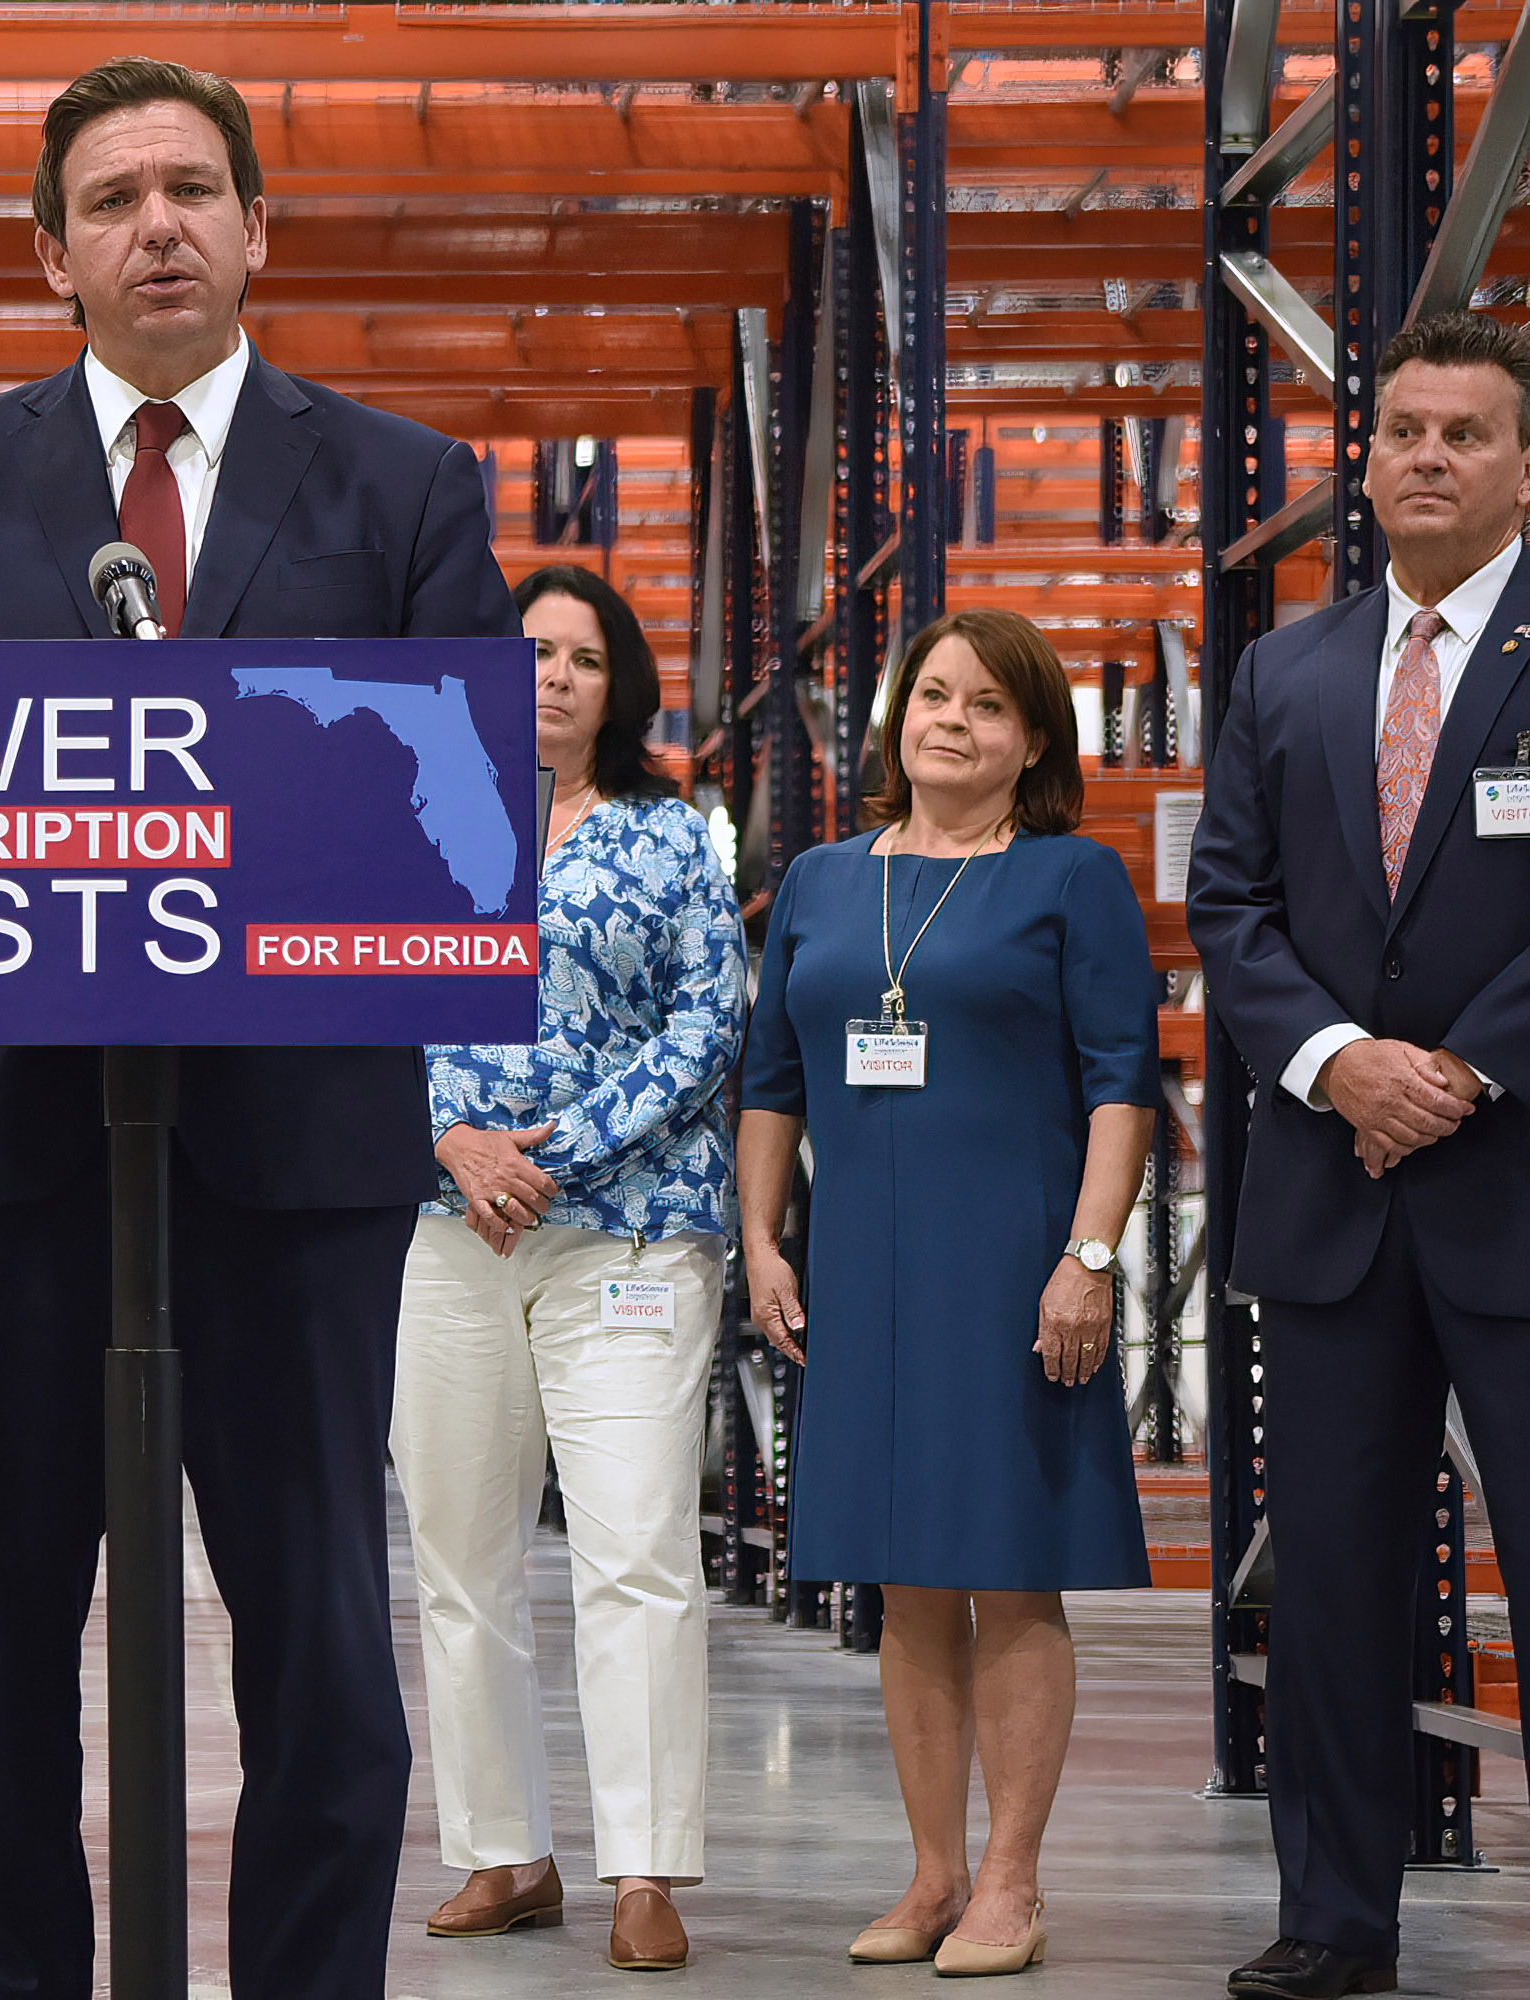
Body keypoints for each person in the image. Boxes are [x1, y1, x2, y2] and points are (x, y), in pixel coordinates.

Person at [0, 56, 515, 2000]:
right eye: (112, 198)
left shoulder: (403, 488)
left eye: (195, 186)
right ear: (53, 252)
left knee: (318, 1645)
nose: (160, 224)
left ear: (261, 225)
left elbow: (452, 828)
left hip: (293, 1161)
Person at [1188, 311, 1530, 2000]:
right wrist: (1340, 1066)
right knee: (1327, 1583)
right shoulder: (1289, 670)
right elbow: (1228, 906)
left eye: (1465, 432)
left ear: (1521, 464)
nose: (1427, 457)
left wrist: (1459, 1069)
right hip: (1331, 1195)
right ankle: (1334, 1918)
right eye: (1403, 429)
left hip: (1511, 1181)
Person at [736, 608, 1157, 1979]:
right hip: (864, 1274)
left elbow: (1120, 1089)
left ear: (1034, 740)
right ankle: (930, 1877)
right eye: (932, 694)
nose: (952, 720)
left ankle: (1014, 1886)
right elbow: (770, 1084)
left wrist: (1088, 1259)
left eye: (987, 704)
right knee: (907, 1586)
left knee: (1012, 1577)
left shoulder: (1068, 881)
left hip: (1016, 1272)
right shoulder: (817, 880)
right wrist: (762, 1240)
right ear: (895, 717)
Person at [390, 564, 741, 1973]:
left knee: (638, 1548)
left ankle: (644, 1866)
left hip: (629, 1235)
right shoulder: (419, 823)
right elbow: (357, 995)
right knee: (459, 1561)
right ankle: (503, 1852)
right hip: (443, 1233)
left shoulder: (670, 839)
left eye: (583, 658)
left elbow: (712, 1020)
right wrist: (454, 1140)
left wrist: (561, 1150)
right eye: (530, 652)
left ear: (622, 683)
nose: (552, 677)